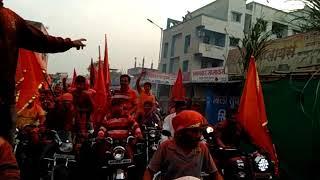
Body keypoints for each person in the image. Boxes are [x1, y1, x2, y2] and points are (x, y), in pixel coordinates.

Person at [0, 0, 86, 143]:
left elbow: (42, 41)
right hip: (4, 102)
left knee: (5, 154)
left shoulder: (10, 19)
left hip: (3, 101)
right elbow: (42, 41)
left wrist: (69, 43)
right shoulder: (10, 18)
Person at [143, 110, 223, 180]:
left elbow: (215, 174)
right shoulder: (166, 147)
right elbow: (150, 172)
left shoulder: (202, 148)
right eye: (194, 131)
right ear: (181, 132)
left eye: (200, 131)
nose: (198, 135)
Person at [71, 76, 94, 142]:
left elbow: (92, 108)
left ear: (84, 85)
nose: (79, 86)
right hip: (74, 120)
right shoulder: (72, 93)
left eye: (81, 84)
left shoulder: (86, 95)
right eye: (78, 84)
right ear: (75, 84)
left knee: (89, 136)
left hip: (86, 120)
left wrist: (80, 110)